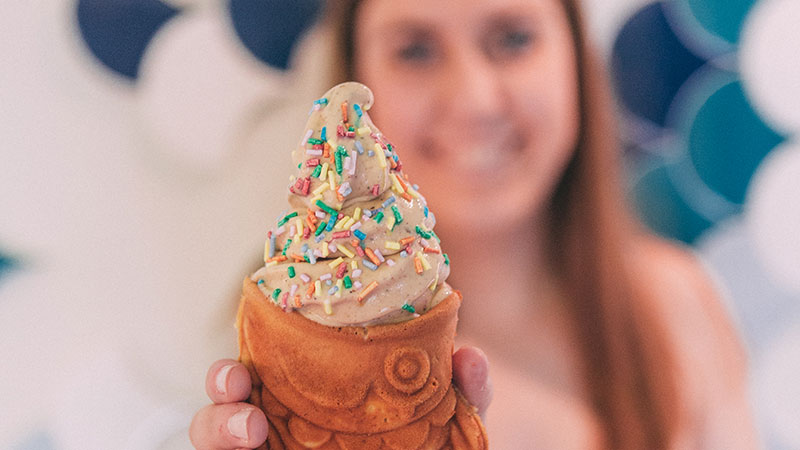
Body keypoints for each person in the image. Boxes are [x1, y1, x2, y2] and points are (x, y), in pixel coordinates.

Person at [191, 0, 760, 448]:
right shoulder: (283, 343)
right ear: (357, 86)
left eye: (513, 38)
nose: (475, 100)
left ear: (576, 61)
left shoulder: (678, 301)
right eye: (415, 50)